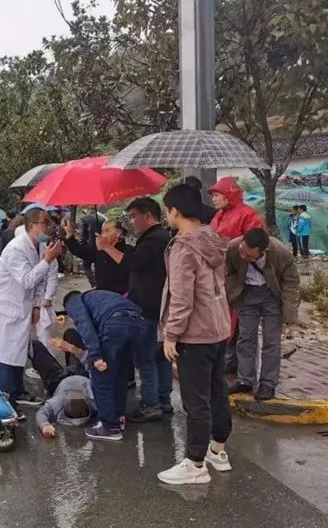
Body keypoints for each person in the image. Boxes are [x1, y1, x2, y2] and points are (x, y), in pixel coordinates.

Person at [158, 184, 232, 485]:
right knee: (217, 392)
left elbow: (181, 297)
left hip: (195, 334)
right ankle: (218, 450)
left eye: (167, 210)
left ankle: (196, 462)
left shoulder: (183, 248)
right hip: (217, 328)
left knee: (195, 400)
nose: (167, 216)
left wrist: (171, 334)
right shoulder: (212, 240)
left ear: (176, 211)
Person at [0, 208, 63, 412]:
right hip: (2, 306)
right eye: (45, 222)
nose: (49, 226)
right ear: (32, 226)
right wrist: (48, 259)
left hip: (21, 305)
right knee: (5, 351)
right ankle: (8, 398)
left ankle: (18, 391)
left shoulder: (40, 247)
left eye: (50, 222)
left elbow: (40, 281)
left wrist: (36, 305)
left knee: (18, 349)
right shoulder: (16, 248)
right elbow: (27, 280)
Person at [97, 197, 173, 422]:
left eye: (133, 216)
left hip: (148, 308)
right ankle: (163, 399)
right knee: (160, 356)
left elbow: (132, 264)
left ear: (148, 216)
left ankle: (152, 404)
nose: (131, 222)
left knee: (146, 357)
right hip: (156, 305)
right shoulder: (157, 237)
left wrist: (106, 248)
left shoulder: (153, 240)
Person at [226, 229, 301, 401]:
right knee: (246, 338)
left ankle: (268, 383)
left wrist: (290, 317)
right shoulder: (233, 248)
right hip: (246, 295)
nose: (244, 256)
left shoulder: (281, 253)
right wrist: (233, 292)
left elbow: (291, 283)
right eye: (243, 252)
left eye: (250, 256)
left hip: (271, 296)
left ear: (263, 251)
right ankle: (245, 379)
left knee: (271, 341)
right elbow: (229, 271)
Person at [63, 289, 143, 442]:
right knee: (120, 373)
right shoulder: (99, 297)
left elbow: (84, 325)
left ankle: (109, 426)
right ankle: (118, 417)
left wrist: (95, 355)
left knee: (101, 375)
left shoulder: (74, 301)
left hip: (115, 323)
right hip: (137, 321)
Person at [208, 176, 264, 375]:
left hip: (243, 277)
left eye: (216, 195)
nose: (213, 199)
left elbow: (254, 244)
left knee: (241, 323)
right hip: (222, 276)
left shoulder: (247, 214)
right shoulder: (219, 216)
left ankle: (242, 365)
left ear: (228, 194)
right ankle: (230, 360)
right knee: (226, 319)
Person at [62, 218, 130, 295]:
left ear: (118, 233)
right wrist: (70, 236)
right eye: (102, 231)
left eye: (107, 231)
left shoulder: (129, 250)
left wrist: (107, 248)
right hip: (102, 294)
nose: (103, 235)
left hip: (122, 296)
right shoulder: (100, 251)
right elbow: (80, 251)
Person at [29, 329, 89, 397]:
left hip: (83, 382)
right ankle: (67, 373)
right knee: (71, 333)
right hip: (82, 369)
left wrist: (71, 348)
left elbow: (94, 365)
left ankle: (58, 385)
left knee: (35, 346)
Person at [77, 209, 101, 287]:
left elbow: (82, 234)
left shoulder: (84, 219)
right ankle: (99, 282)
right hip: (99, 246)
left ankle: (93, 282)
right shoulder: (102, 219)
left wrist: (81, 246)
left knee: (86, 266)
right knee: (98, 265)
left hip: (88, 246)